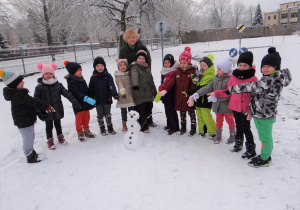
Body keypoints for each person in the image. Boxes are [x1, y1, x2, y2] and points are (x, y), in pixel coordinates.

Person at [226, 47, 292, 167]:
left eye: (269, 66)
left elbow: (250, 86)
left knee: (265, 137)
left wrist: (230, 89)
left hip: (264, 114)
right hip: (263, 112)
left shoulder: (271, 80)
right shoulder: (272, 78)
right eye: (263, 66)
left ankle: (265, 158)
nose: (265, 69)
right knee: (266, 136)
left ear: (276, 67)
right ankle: (266, 153)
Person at [1, 69, 55, 163]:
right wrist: (46, 106)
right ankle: (29, 156)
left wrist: (32, 118)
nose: (23, 82)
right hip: (23, 121)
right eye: (20, 81)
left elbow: (29, 106)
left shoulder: (18, 93)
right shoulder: (18, 95)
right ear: (14, 84)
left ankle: (31, 152)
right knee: (28, 138)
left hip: (26, 120)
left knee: (30, 137)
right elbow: (33, 102)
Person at [212, 51, 258, 159]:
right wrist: (217, 93)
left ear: (250, 66)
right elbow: (228, 91)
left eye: (245, 65)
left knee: (247, 128)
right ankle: (238, 143)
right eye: (240, 65)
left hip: (245, 109)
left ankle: (251, 149)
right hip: (235, 107)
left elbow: (255, 97)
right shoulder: (233, 77)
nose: (242, 67)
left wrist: (251, 110)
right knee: (239, 127)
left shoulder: (253, 79)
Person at [188, 57, 235, 144]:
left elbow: (228, 92)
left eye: (219, 69)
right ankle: (218, 135)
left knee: (230, 120)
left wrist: (216, 93)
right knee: (219, 120)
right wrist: (197, 94)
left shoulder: (230, 79)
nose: (217, 71)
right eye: (217, 69)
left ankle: (232, 134)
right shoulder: (215, 78)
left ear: (225, 70)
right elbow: (207, 87)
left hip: (227, 105)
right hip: (217, 105)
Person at [34, 63, 80, 150]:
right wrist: (38, 111)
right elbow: (36, 100)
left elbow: (67, 93)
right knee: (49, 126)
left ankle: (60, 137)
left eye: (50, 73)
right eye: (46, 73)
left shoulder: (58, 85)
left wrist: (74, 101)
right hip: (46, 110)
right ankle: (50, 141)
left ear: (53, 74)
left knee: (58, 124)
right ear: (42, 74)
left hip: (57, 108)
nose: (48, 75)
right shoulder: (39, 87)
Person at [119, 28, 156, 127]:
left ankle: (149, 119)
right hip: (130, 77)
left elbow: (148, 61)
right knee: (136, 100)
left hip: (143, 76)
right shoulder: (123, 50)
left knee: (147, 100)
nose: (131, 39)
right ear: (126, 39)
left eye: (133, 37)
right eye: (129, 37)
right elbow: (121, 64)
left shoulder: (142, 47)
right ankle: (137, 120)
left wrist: (147, 73)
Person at [160, 46, 197, 136]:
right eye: (181, 63)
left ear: (188, 62)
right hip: (179, 97)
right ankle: (183, 127)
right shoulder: (177, 72)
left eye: (184, 63)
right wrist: (165, 90)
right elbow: (171, 82)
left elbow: (194, 85)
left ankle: (193, 128)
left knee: (191, 113)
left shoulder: (192, 72)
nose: (182, 65)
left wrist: (192, 97)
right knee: (182, 113)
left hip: (188, 98)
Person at [185, 54, 216, 138]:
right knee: (200, 116)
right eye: (201, 65)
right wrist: (195, 75)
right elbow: (195, 82)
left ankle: (212, 131)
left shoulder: (210, 75)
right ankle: (201, 131)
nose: (202, 67)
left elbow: (202, 87)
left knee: (207, 117)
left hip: (205, 100)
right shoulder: (201, 73)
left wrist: (190, 92)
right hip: (198, 99)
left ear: (209, 66)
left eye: (204, 65)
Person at [64, 60, 96, 141]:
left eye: (81, 70)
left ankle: (86, 130)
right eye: (78, 70)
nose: (80, 72)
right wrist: (85, 98)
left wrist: (90, 98)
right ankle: (80, 132)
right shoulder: (71, 82)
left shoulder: (82, 79)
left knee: (86, 118)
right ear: (73, 71)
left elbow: (86, 89)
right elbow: (76, 92)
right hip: (78, 103)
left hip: (85, 103)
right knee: (79, 120)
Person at [89, 56, 119, 136]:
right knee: (100, 115)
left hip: (107, 99)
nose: (100, 67)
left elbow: (111, 86)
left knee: (108, 114)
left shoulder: (108, 76)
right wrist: (91, 100)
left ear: (104, 66)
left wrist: (114, 94)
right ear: (95, 67)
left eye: (102, 65)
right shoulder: (93, 78)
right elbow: (91, 89)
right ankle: (102, 128)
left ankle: (110, 127)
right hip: (98, 101)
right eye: (97, 66)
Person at [130, 48, 157, 133]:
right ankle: (143, 126)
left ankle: (149, 121)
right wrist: (135, 85)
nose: (141, 60)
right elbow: (134, 77)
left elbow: (151, 80)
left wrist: (154, 91)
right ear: (136, 59)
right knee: (142, 110)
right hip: (139, 92)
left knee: (149, 108)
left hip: (148, 92)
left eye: (143, 59)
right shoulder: (134, 67)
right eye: (139, 58)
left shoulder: (147, 68)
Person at [154, 54, 180, 135]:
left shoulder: (173, 72)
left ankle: (174, 127)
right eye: (165, 62)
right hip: (165, 95)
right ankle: (169, 124)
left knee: (171, 111)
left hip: (170, 94)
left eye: (169, 62)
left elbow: (169, 83)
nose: (167, 64)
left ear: (172, 63)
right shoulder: (164, 71)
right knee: (167, 111)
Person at [114, 58, 135, 132]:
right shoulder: (118, 75)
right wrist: (122, 92)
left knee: (131, 110)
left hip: (130, 95)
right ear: (118, 67)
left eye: (124, 65)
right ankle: (124, 124)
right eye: (120, 65)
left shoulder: (129, 74)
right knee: (123, 111)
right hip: (122, 95)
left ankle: (132, 123)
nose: (122, 67)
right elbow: (120, 84)